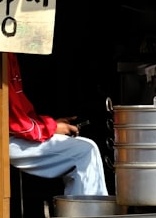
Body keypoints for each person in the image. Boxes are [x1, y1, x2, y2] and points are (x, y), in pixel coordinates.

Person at [7, 52, 108, 196]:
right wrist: (51, 128)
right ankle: (87, 217)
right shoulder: (0, 54)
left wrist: (51, 125)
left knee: (86, 148)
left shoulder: (10, 55)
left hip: (12, 134)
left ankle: (87, 214)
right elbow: (16, 123)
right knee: (86, 151)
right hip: (2, 138)